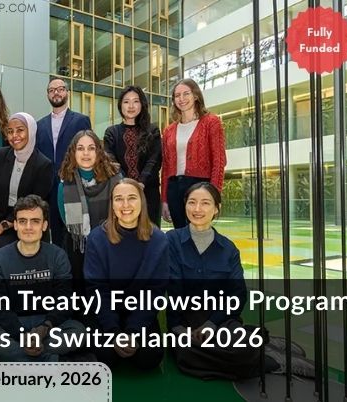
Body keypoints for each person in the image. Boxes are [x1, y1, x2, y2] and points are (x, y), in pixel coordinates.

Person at [166, 182, 314, 379]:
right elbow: (173, 287)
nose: (197, 209)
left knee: (240, 350)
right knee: (187, 357)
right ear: (185, 205)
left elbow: (237, 294)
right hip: (185, 322)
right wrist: (178, 328)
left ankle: (262, 348)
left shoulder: (228, 249)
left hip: (221, 320)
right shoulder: (171, 240)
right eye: (192, 202)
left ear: (216, 209)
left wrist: (211, 324)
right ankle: (269, 356)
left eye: (205, 203)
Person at [0, 195, 86, 362]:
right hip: (12, 325)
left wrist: (44, 328)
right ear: (15, 225)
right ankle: (50, 361)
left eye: (35, 221)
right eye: (22, 221)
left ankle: (21, 361)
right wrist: (21, 335)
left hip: (48, 325)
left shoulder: (58, 255)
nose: (28, 227)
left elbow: (64, 301)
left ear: (44, 225)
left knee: (78, 332)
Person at [84, 178, 168, 370]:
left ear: (142, 202)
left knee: (149, 357)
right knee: (105, 357)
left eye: (131, 198)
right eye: (119, 199)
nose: (125, 205)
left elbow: (154, 292)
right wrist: (113, 332)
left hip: (139, 311)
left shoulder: (158, 240)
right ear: (112, 204)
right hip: (106, 311)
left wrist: (134, 332)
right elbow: (97, 289)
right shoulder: (97, 238)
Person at [161, 78, 226, 229]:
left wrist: (214, 195)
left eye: (186, 94)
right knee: (180, 234)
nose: (181, 99)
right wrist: (164, 199)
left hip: (200, 186)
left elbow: (219, 161)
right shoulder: (169, 130)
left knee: (199, 232)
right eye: (177, 95)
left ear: (195, 95)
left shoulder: (211, 122)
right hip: (174, 188)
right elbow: (166, 168)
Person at [57, 130, 120, 286]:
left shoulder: (116, 179)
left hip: (112, 242)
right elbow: (67, 222)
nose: (86, 153)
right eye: (80, 148)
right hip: (78, 247)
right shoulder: (65, 185)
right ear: (73, 152)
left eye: (91, 148)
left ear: (99, 151)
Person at [0, 112, 53, 250]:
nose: (14, 135)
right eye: (10, 131)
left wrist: (2, 226)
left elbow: (34, 203)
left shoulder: (43, 164)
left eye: (20, 130)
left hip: (28, 221)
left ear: (31, 131)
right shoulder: (0, 156)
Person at [36, 78, 92, 247]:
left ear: (67, 92)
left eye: (60, 89)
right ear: (47, 95)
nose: (56, 93)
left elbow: (88, 149)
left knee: (74, 234)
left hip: (73, 183)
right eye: (52, 90)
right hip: (47, 186)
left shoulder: (81, 120)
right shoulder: (39, 125)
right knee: (49, 232)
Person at [104, 86, 162, 226]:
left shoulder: (152, 130)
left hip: (149, 194)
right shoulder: (112, 132)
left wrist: (141, 183)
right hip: (121, 194)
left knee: (150, 233)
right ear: (120, 105)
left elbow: (154, 160)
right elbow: (111, 161)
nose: (131, 106)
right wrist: (127, 186)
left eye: (135, 101)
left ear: (142, 104)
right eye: (126, 102)